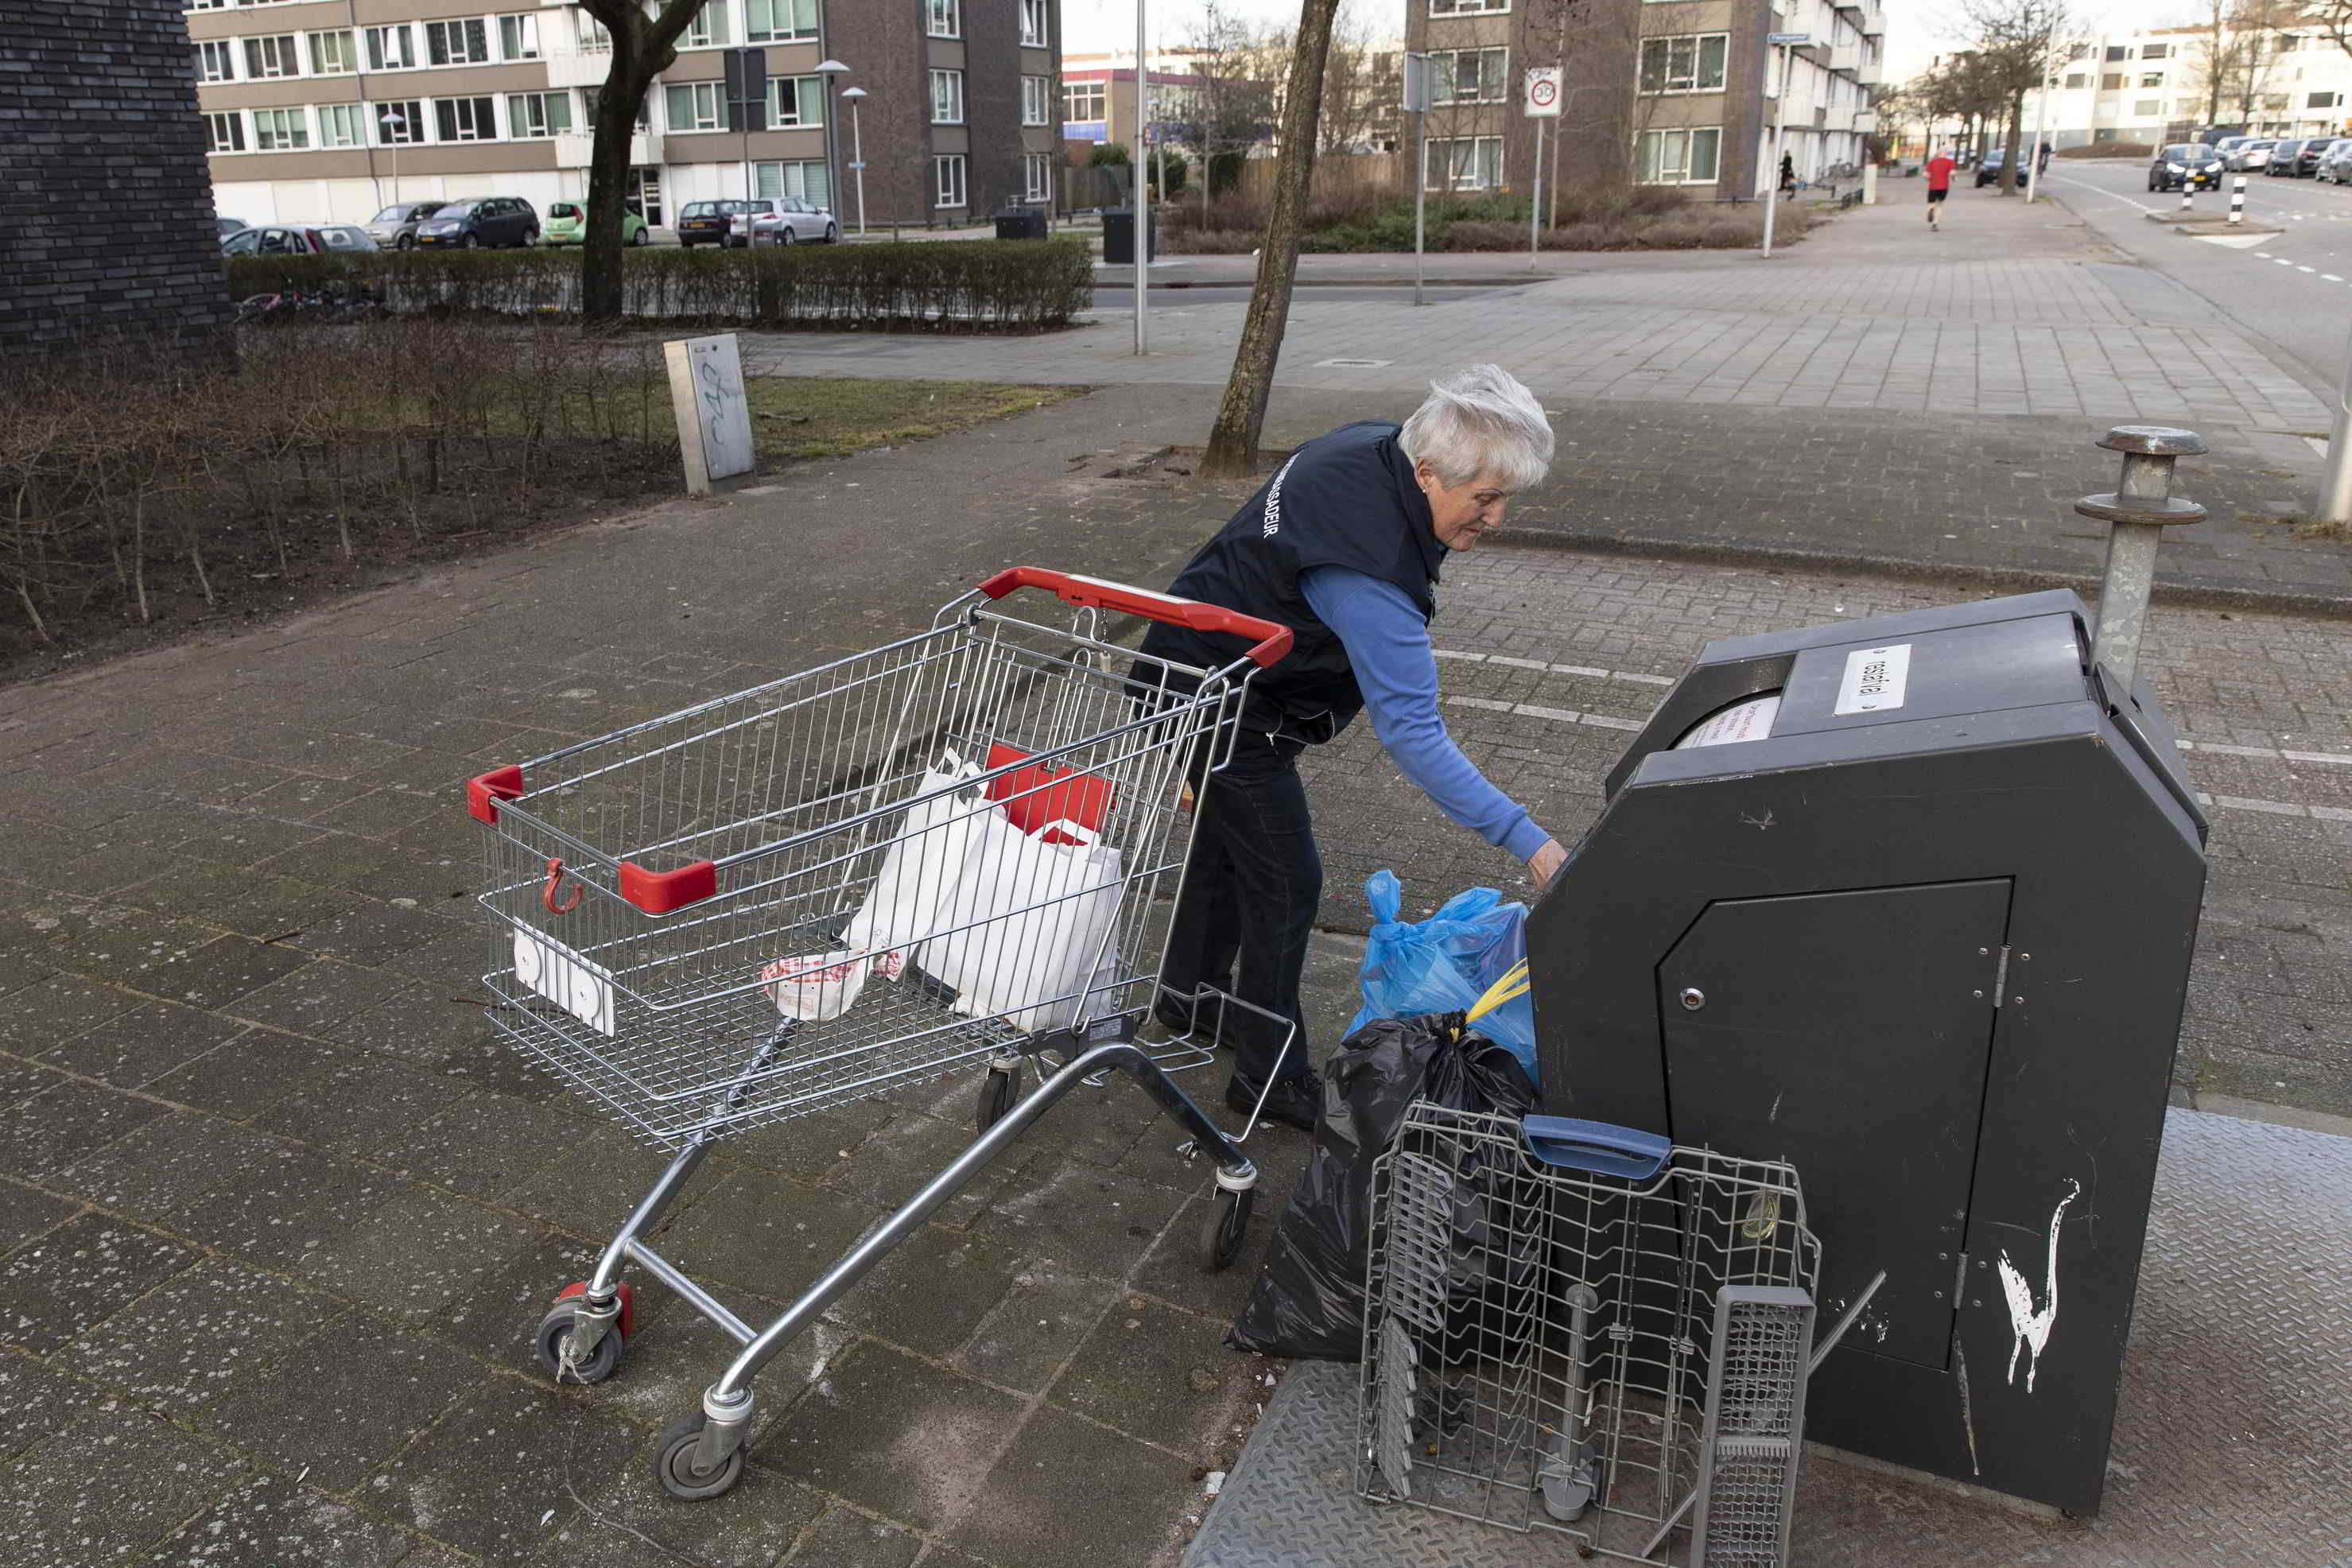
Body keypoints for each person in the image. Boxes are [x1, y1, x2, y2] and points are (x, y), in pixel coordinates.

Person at [1131, 367, 1567, 1132]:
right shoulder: (1369, 574)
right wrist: (1527, 841)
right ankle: (1267, 1081)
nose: (1497, 518)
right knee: (1288, 885)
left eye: (1505, 499)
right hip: (1226, 707)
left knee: (1229, 850)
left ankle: (1189, 1001)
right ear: (1427, 472)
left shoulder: (1370, 444)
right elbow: (1415, 736)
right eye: (1486, 499)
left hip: (1185, 664)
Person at [1926, 146, 1956, 229]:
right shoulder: (1950, 162)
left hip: (1933, 186)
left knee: (1931, 203)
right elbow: (1952, 173)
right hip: (1944, 186)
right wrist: (1953, 179)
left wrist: (1928, 179)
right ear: (1946, 153)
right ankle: (1935, 223)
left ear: (1938, 153)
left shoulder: (1932, 162)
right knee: (1939, 204)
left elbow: (1926, 174)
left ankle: (1931, 209)